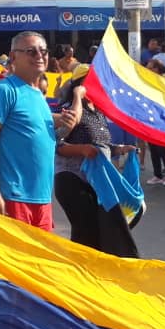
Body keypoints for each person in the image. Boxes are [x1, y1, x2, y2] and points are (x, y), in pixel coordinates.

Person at [0, 31, 76, 230]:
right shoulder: (4, 91)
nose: (40, 55)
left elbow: (36, 127)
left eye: (43, 50)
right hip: (14, 198)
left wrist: (64, 120)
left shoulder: (38, 95)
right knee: (13, 261)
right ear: (13, 57)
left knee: (39, 261)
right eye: (31, 51)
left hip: (42, 199)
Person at [53, 66, 139, 257]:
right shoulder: (68, 109)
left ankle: (94, 276)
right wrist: (77, 96)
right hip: (72, 180)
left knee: (103, 232)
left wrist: (121, 149)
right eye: (89, 81)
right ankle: (79, 275)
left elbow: (102, 145)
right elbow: (55, 145)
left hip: (97, 182)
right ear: (80, 84)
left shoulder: (98, 113)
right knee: (85, 233)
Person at [145, 60, 165, 186]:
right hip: (150, 118)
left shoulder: (164, 83)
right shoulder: (147, 82)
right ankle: (157, 174)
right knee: (153, 149)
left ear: (157, 69)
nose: (148, 70)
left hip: (161, 119)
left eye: (151, 68)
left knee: (162, 148)